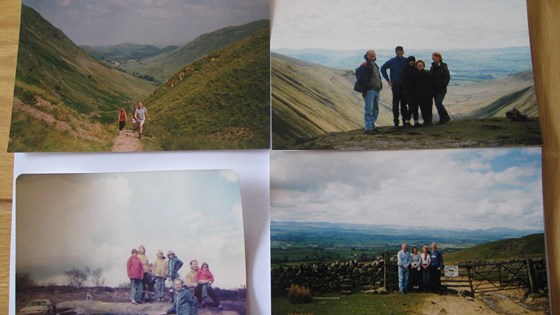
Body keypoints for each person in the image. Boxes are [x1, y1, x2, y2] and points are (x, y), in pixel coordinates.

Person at [381, 46, 409, 128]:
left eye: (400, 51)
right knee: (395, 104)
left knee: (404, 105)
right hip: (396, 86)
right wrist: (388, 80)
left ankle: (404, 122)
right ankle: (396, 123)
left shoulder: (406, 61)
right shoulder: (392, 61)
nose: (399, 53)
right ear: (395, 52)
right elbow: (383, 68)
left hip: (404, 86)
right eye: (397, 51)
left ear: (403, 52)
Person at [356, 49, 383, 134]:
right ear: (367, 55)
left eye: (373, 54)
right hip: (370, 91)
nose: (372, 55)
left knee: (375, 109)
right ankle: (368, 128)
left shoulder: (374, 64)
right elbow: (361, 77)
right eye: (370, 54)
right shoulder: (365, 65)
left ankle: (371, 126)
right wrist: (369, 86)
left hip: (376, 90)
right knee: (369, 110)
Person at [430, 52, 451, 124]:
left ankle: (445, 116)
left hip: (441, 89)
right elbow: (431, 77)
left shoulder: (444, 66)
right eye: (433, 57)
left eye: (436, 56)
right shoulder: (432, 66)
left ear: (439, 58)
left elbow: (447, 77)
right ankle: (442, 119)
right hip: (434, 89)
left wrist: (443, 85)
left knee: (438, 102)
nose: (435, 58)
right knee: (437, 103)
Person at [413, 60, 435, 126]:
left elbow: (432, 83)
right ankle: (426, 121)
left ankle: (429, 121)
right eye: (418, 65)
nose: (420, 66)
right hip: (419, 94)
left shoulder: (427, 73)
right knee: (423, 109)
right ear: (416, 66)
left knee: (428, 108)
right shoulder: (415, 74)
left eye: (421, 65)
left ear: (423, 66)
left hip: (427, 94)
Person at [401, 56, 420, 127]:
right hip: (408, 91)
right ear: (408, 61)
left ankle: (416, 121)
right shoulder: (406, 69)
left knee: (415, 107)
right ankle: (407, 121)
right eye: (410, 61)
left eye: (413, 61)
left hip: (415, 91)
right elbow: (404, 81)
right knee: (411, 107)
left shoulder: (415, 69)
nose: (411, 62)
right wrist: (405, 90)